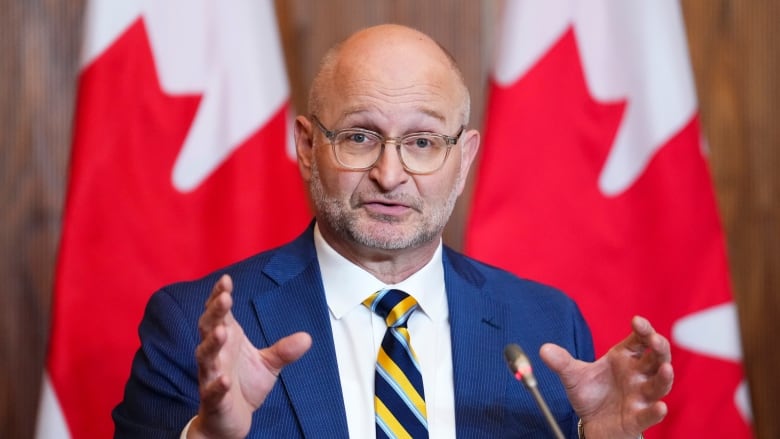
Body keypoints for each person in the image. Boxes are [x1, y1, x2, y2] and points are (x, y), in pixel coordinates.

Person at [113, 24, 673, 438]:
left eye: (423, 143)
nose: (389, 173)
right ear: (309, 147)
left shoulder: (545, 324)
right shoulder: (193, 325)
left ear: (465, 157)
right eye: (359, 137)